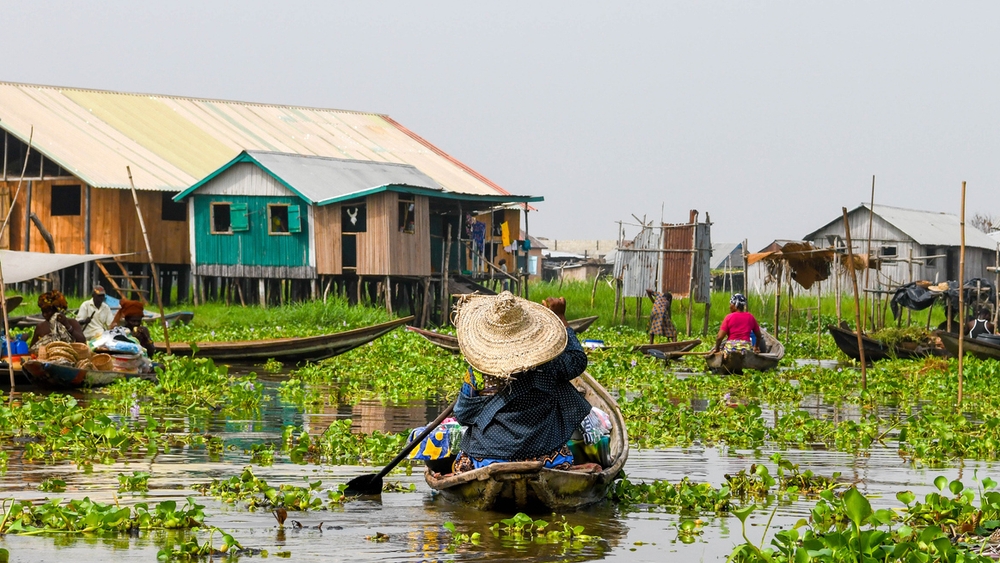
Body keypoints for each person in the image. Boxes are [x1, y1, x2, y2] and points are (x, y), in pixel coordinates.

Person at [451, 291, 590, 473]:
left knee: (460, 462)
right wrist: (561, 317)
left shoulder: (479, 372)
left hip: (485, 459)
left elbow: (463, 415)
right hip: (546, 457)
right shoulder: (550, 363)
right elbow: (577, 360)